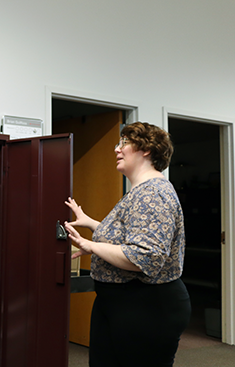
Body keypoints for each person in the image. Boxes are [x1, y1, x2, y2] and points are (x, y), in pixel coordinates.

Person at [64, 122, 190, 367]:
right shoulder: (141, 191)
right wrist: (91, 223)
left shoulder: (153, 194)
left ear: (146, 149)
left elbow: (145, 256)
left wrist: (90, 246)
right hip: (123, 304)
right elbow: (130, 237)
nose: (116, 150)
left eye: (123, 143)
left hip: (147, 307)